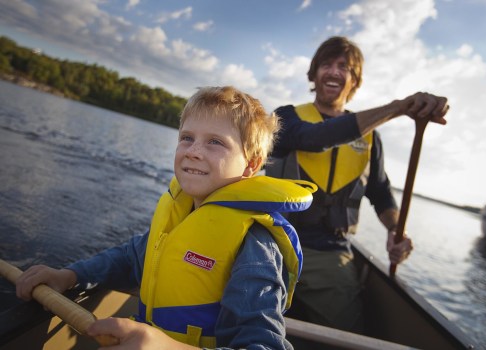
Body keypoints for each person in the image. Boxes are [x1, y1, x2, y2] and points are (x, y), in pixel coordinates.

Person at [15, 86, 317, 349]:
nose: (194, 151)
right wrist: (70, 275)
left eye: (215, 142)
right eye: (187, 137)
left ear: (251, 165)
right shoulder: (182, 212)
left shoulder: (255, 246)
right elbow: (130, 256)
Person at [266, 36, 449, 338]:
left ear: (355, 81)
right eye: (327, 64)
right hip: (274, 242)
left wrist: (394, 229)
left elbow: (380, 191)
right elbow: (313, 138)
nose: (335, 72)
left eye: (345, 67)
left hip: (331, 253)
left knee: (351, 334)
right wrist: (398, 108)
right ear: (314, 74)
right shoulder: (286, 117)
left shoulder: (370, 138)